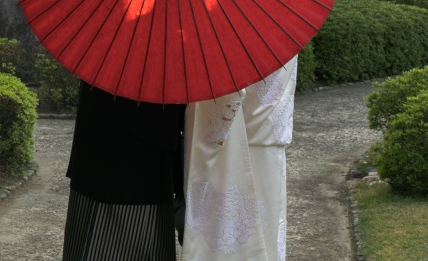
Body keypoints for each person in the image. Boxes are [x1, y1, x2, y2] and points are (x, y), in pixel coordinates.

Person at [181, 56, 298, 261]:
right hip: (268, 142)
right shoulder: (285, 28)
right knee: (268, 230)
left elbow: (221, 93)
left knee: (229, 231)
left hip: (232, 141)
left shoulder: (228, 28)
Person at [62, 81, 186, 260]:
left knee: (89, 248)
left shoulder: (105, 59)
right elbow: (163, 125)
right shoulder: (156, 64)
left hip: (97, 169)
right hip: (137, 178)